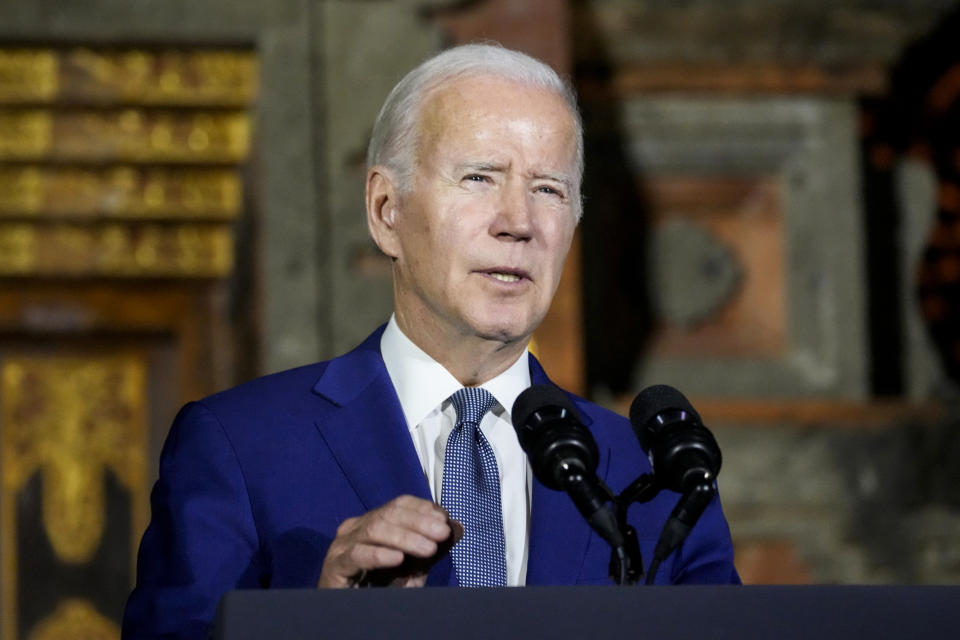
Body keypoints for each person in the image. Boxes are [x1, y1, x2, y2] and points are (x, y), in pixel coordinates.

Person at [122, 43, 739, 639]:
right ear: (386, 210)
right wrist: (317, 623)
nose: (518, 222)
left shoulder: (655, 477)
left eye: (548, 189)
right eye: (479, 177)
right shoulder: (239, 447)